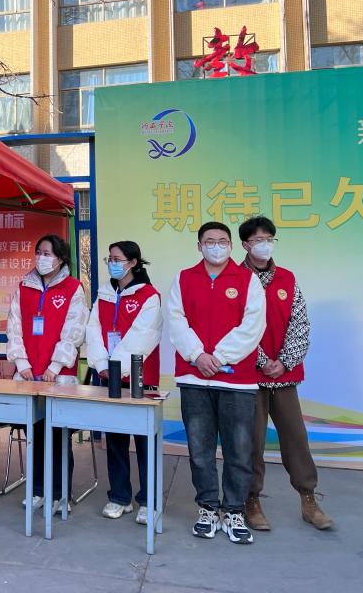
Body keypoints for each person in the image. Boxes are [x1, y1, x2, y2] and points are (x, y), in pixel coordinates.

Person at [165, 221, 265, 545]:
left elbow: (253, 326)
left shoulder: (248, 280)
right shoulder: (183, 279)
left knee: (239, 450)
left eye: (222, 241)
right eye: (209, 241)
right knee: (199, 450)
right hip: (194, 379)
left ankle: (234, 511)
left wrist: (219, 357)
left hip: (237, 381)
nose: (216, 247)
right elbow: (176, 321)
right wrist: (198, 356)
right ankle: (207, 507)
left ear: (231, 246)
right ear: (199, 246)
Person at [237, 216, 332, 532]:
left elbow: (300, 322)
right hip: (248, 376)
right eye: (257, 239)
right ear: (245, 245)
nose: (264, 245)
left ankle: (308, 499)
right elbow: (234, 327)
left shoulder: (287, 278)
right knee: (252, 441)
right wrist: (262, 360)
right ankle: (251, 500)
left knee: (295, 437)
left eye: (269, 239)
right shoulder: (234, 278)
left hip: (284, 375)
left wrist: (284, 361)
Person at [6, 234, 88, 514]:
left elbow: (74, 331)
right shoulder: (24, 286)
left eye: (48, 253)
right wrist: (21, 363)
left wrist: (54, 366)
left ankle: (60, 493)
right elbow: (14, 326)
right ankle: (38, 489)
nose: (41, 258)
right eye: (39, 252)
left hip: (58, 375)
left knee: (58, 436)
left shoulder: (74, 288)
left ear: (61, 258)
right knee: (35, 435)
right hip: (29, 374)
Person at [85, 240, 162, 526]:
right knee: (115, 439)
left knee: (144, 441)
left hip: (139, 377)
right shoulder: (104, 293)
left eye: (117, 259)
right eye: (110, 259)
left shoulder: (149, 296)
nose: (112, 264)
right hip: (108, 375)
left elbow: (143, 337)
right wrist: (102, 364)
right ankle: (119, 497)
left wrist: (114, 365)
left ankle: (148, 501)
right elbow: (93, 329)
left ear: (133, 263)